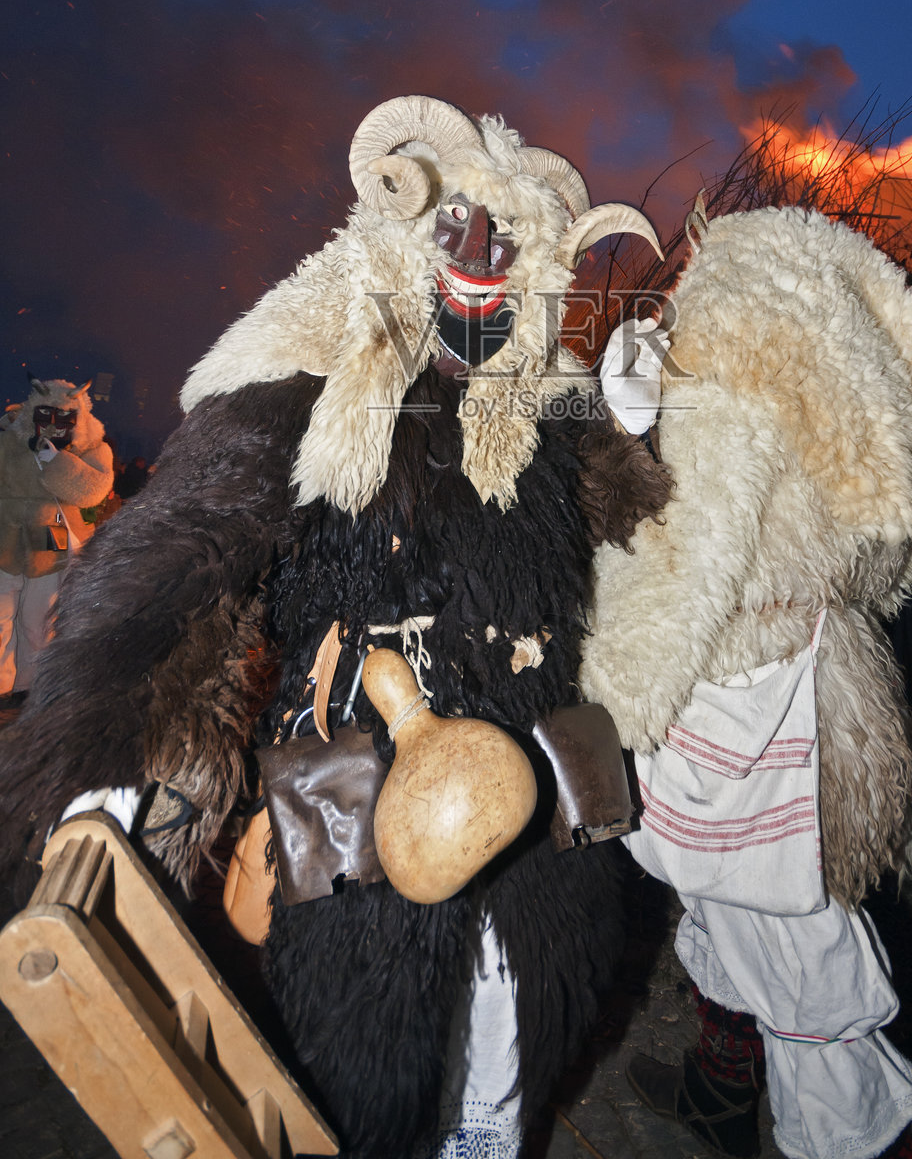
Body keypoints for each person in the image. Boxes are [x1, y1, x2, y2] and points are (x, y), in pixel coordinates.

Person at [0, 96, 671, 1159]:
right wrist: (118, 727)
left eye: (510, 236)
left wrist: (636, 424)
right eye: (458, 225)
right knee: (364, 1060)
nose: (485, 251)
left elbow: (628, 509)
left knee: (514, 1031)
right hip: (359, 757)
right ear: (404, 230)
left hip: (539, 764)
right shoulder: (314, 376)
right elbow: (192, 538)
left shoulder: (543, 397)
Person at [580, 201, 912, 1159]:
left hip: (728, 708)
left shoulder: (729, 392)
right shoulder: (858, 395)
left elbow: (683, 575)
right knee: (748, 918)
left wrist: (607, 696)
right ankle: (722, 1094)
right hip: (813, 686)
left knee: (794, 955)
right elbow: (892, 570)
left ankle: (861, 1143)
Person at [0, 376, 113, 698]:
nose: (54, 424)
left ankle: (29, 685)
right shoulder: (10, 442)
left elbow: (93, 492)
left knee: (38, 622)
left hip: (52, 546)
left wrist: (57, 461)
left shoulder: (93, 448)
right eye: (45, 414)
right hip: (4, 540)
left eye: (64, 417)